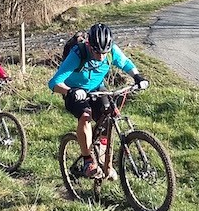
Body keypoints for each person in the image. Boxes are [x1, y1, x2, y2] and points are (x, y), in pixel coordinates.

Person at [48, 23, 148, 179]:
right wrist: (70, 91)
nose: (101, 56)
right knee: (85, 115)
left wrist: (137, 76)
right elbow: (54, 83)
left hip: (97, 88)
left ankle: (104, 161)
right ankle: (88, 161)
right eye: (96, 52)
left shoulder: (111, 51)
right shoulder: (77, 54)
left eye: (104, 52)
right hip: (75, 92)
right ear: (89, 45)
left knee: (109, 120)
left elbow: (125, 63)